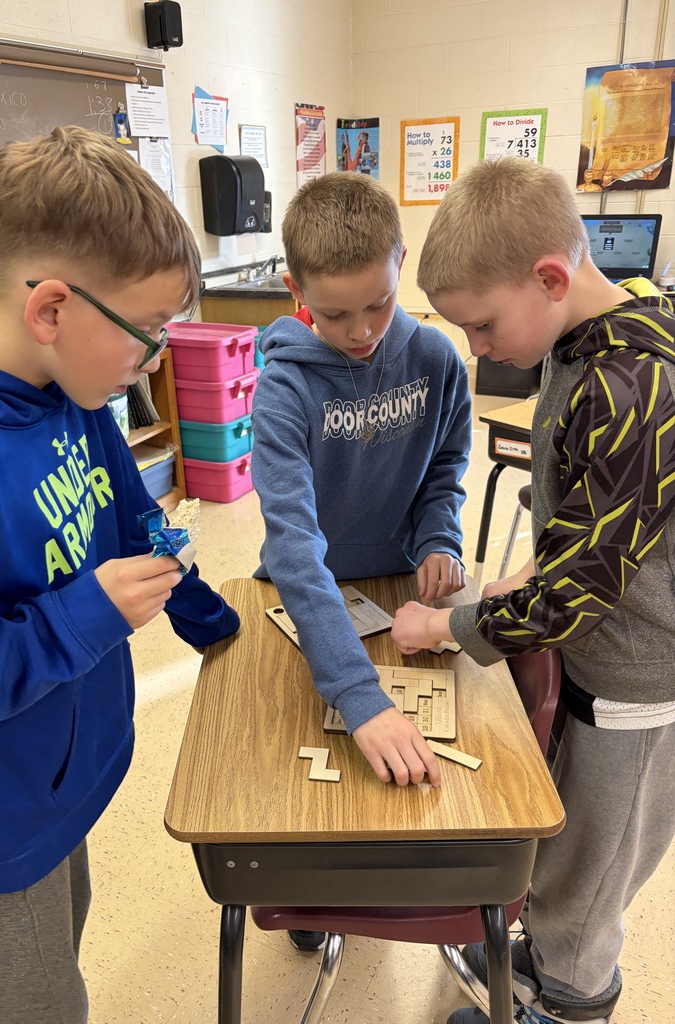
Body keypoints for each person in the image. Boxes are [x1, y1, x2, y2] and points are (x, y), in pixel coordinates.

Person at [0, 125, 240, 1024]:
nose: (156, 358)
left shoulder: (71, 392)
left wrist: (212, 620)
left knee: (67, 957)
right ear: (51, 309)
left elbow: (129, 516)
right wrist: (77, 619)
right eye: (148, 333)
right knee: (37, 1007)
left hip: (56, 775)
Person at [391, 157, 675, 1024]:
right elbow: (573, 527)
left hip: (637, 684)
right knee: (561, 840)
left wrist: (450, 625)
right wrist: (504, 584)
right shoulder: (574, 336)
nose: (477, 349)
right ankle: (543, 946)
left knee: (593, 875)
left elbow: (570, 595)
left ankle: (569, 998)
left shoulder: (633, 383)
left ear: (550, 278)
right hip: (597, 654)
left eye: (481, 325)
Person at [251, 172, 472, 795]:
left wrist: (440, 538)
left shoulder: (436, 358)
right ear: (297, 291)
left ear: (401, 262)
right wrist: (357, 694)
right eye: (335, 313)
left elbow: (446, 465)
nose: (361, 330)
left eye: (379, 302)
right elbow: (293, 547)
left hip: (403, 585)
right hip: (302, 595)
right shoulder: (283, 390)